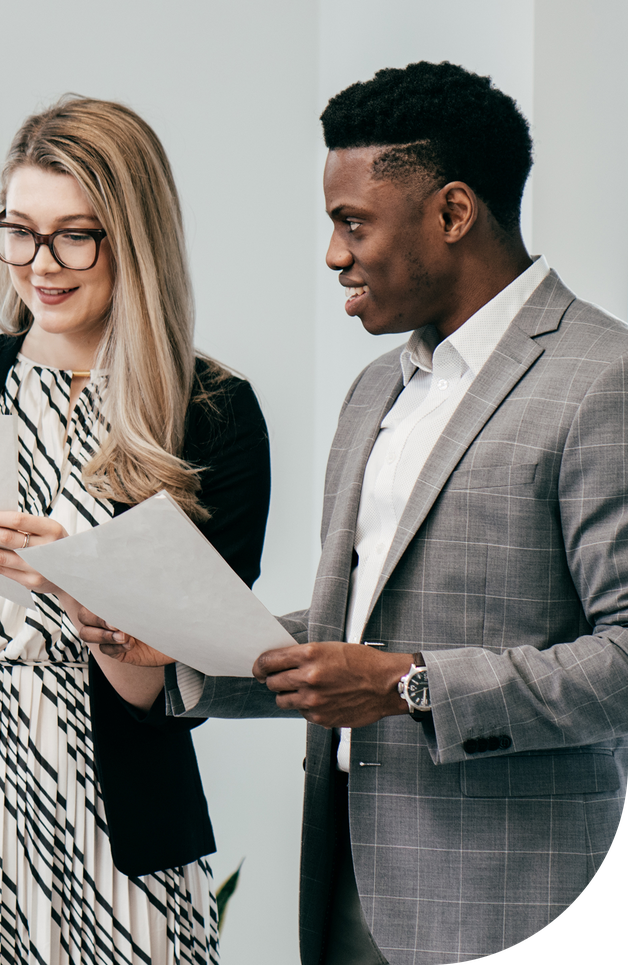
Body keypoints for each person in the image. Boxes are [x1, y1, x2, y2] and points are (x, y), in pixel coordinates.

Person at [90, 61, 628, 964]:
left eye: (352, 223)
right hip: (348, 876)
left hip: (518, 893)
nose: (334, 254)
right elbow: (348, 638)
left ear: (453, 213)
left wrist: (406, 685)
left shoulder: (601, 380)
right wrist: (176, 647)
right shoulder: (377, 387)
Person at [0, 97, 270, 964]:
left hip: (118, 821)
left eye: (76, 234)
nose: (41, 264)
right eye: (19, 230)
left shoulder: (209, 413)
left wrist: (74, 583)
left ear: (135, 237)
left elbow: (175, 688)